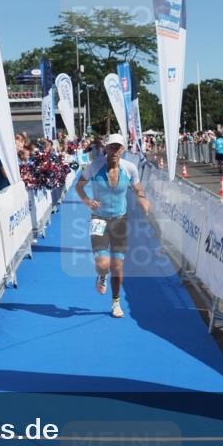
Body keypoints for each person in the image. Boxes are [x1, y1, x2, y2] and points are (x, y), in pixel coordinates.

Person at [74, 134, 150, 319]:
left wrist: (142, 199)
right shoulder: (95, 166)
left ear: (123, 149)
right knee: (103, 264)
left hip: (120, 220)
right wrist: (88, 201)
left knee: (117, 266)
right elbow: (79, 186)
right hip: (99, 219)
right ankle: (102, 276)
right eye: (111, 147)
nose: (114, 151)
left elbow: (138, 189)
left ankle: (115, 302)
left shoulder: (129, 168)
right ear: (106, 148)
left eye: (118, 147)